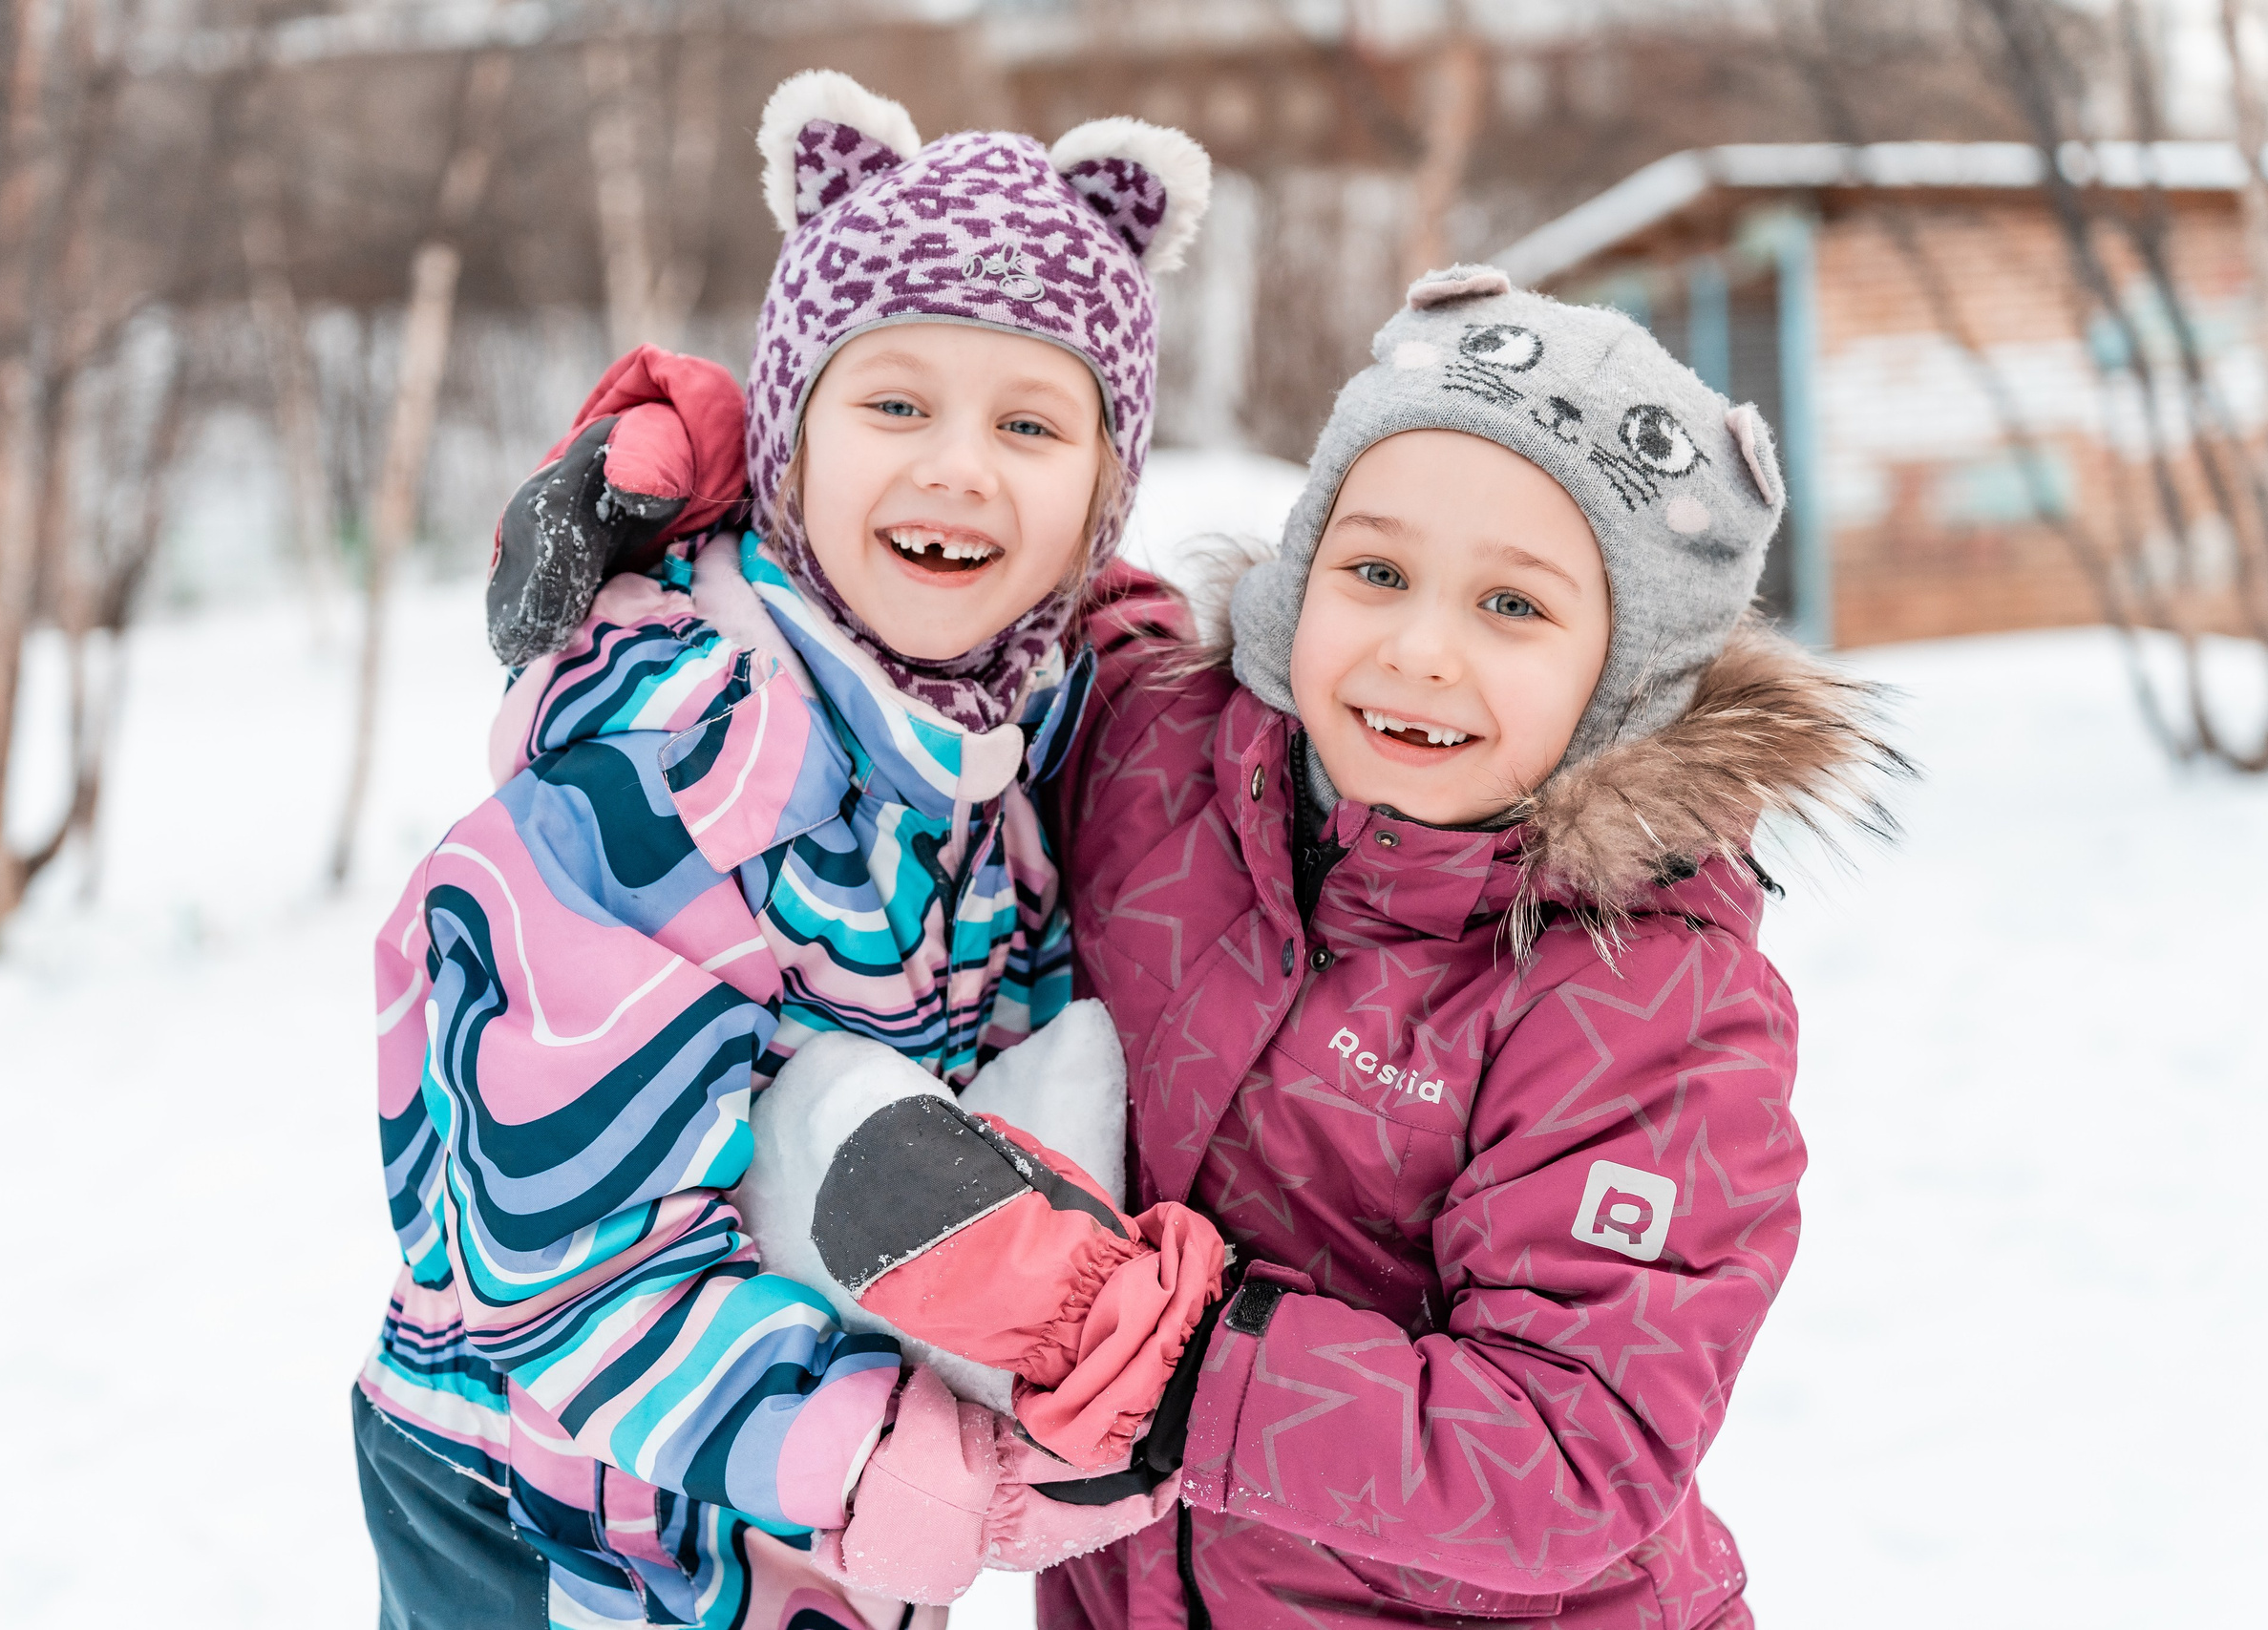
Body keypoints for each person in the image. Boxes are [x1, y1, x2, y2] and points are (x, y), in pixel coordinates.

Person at [754, 267, 1908, 1629]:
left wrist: (1150, 1353)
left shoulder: (1648, 1006)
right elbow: (1016, 556)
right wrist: (728, 467)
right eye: (1375, 573)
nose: (1418, 648)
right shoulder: (1165, 760)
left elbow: (1565, 1455)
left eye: (1514, 608)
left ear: (1630, 675)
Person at [353, 71, 1227, 1630]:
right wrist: (892, 1458)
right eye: (894, 402)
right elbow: (552, 1253)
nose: (959, 466)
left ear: (1103, 499)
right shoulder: (680, 764)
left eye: (1031, 422)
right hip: (552, 1512)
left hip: (792, 1520)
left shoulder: (993, 746)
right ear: (788, 440)